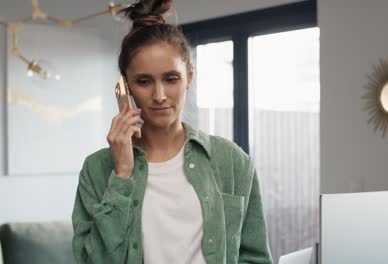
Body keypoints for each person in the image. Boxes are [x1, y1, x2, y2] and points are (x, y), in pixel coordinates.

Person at [71, 0, 273, 263]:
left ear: (189, 76)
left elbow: (255, 258)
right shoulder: (97, 169)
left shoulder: (231, 160)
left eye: (171, 78)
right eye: (144, 81)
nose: (159, 95)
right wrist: (121, 175)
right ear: (125, 87)